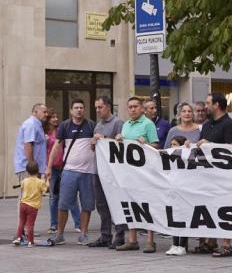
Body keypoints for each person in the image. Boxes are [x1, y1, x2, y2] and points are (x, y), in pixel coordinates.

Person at [198, 94, 232, 256]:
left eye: (208, 103)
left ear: (217, 105)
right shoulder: (207, 124)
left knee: (224, 207)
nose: (205, 107)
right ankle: (211, 242)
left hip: (225, 175)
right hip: (208, 174)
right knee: (209, 206)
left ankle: (226, 245)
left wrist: (211, 145)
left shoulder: (229, 124)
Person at [45, 101, 95, 246]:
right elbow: (56, 147)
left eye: (81, 108)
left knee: (87, 205)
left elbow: (98, 145)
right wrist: (48, 167)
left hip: (88, 172)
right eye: (76, 108)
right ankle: (60, 234)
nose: (79, 110)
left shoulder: (91, 125)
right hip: (69, 171)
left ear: (84, 110)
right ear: (71, 110)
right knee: (63, 204)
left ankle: (83, 234)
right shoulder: (65, 126)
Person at [161, 102, 206, 256]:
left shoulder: (199, 130)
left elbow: (202, 150)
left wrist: (192, 145)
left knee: (187, 208)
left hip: (192, 175)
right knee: (175, 208)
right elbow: (166, 150)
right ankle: (175, 243)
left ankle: (183, 244)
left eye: (189, 111)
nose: (187, 113)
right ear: (179, 114)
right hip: (176, 174)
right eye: (184, 111)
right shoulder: (173, 130)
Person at [115, 96, 159, 251]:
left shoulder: (148, 124)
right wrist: (119, 140)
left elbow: (156, 145)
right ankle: (132, 240)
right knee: (130, 203)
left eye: (135, 106)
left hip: (145, 172)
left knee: (147, 204)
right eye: (130, 107)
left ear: (142, 109)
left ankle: (150, 241)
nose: (133, 109)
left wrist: (146, 144)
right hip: (128, 171)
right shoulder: (126, 124)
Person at [87, 96, 125, 247]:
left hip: (113, 172)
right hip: (98, 170)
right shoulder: (98, 125)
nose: (97, 110)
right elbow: (94, 149)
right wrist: (93, 142)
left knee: (116, 203)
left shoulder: (118, 123)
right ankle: (105, 235)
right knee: (101, 204)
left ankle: (120, 234)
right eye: (96, 107)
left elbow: (121, 145)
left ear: (108, 107)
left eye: (100, 107)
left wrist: (105, 139)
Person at [13, 103, 50, 189]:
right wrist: (31, 165)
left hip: (33, 167)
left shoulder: (37, 124)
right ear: (35, 112)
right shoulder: (31, 124)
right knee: (28, 196)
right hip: (29, 168)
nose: (46, 114)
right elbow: (28, 145)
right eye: (44, 112)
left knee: (32, 196)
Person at [11, 162, 47, 246]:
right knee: (30, 224)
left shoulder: (24, 181)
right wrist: (46, 180)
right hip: (33, 206)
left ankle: (18, 238)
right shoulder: (40, 182)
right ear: (38, 171)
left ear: (27, 171)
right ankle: (30, 242)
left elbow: (23, 187)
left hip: (23, 204)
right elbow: (45, 189)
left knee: (21, 222)